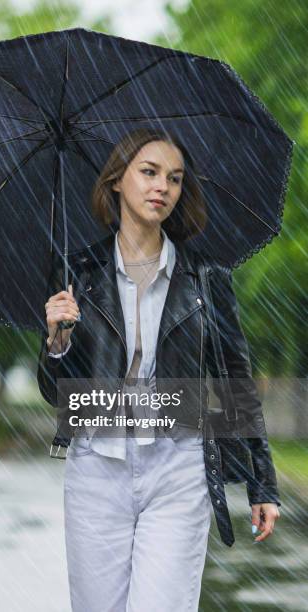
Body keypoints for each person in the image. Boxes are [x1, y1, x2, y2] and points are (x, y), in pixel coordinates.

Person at [37, 128, 281, 612]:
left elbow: (236, 380)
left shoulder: (206, 278)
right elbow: (54, 391)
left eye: (174, 178)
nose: (162, 187)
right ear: (116, 182)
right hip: (96, 467)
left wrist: (262, 480)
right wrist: (58, 342)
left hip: (178, 466)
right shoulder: (77, 272)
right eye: (148, 172)